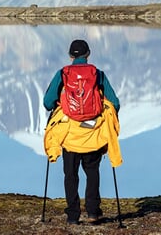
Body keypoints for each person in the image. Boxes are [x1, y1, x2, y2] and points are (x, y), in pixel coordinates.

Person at [43, 39, 121, 224]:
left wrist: (59, 106)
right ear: (88, 54)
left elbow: (47, 102)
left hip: (70, 135)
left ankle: (72, 216)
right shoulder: (98, 74)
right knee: (92, 172)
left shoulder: (63, 74)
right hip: (92, 134)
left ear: (71, 56)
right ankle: (93, 213)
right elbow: (115, 102)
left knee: (71, 175)